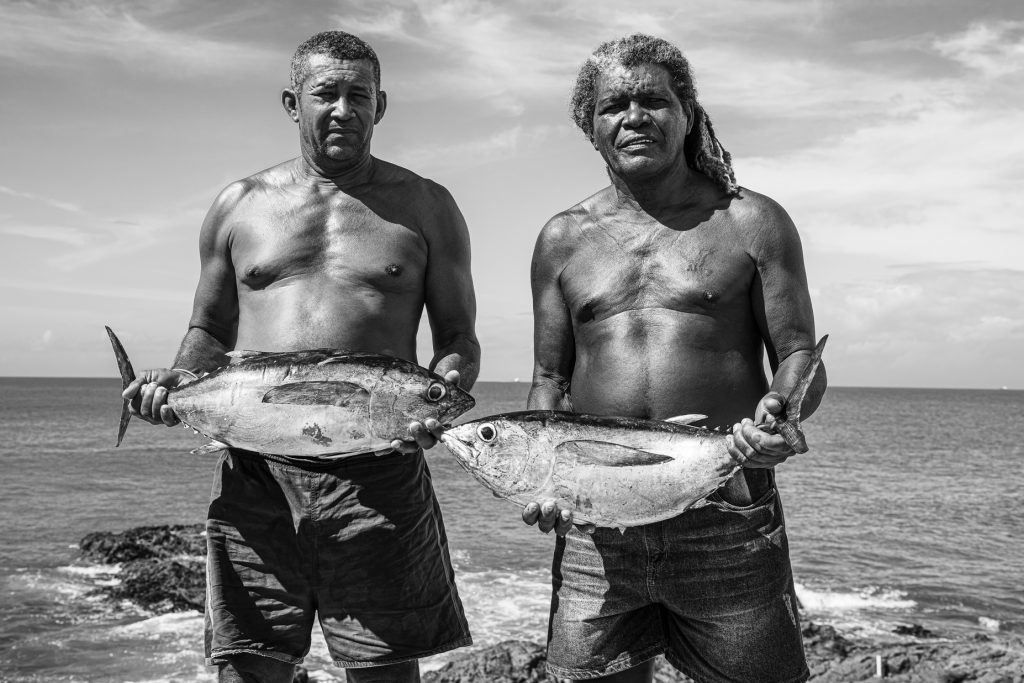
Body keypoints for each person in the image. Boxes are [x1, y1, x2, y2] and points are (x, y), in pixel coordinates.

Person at [121, 30, 479, 683]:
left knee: (384, 669)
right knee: (249, 667)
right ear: (293, 102)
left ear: (382, 105)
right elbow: (207, 327)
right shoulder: (240, 206)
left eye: (359, 96)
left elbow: (457, 336)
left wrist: (446, 384)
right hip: (256, 472)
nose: (343, 109)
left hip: (379, 476)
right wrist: (176, 385)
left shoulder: (428, 206)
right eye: (326, 94)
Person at [525, 34, 827, 683]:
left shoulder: (752, 222)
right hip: (597, 519)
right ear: (590, 125)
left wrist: (781, 412)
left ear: (686, 110)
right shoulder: (561, 240)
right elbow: (549, 380)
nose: (634, 116)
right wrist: (542, 474)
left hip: (728, 509)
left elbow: (800, 353)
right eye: (614, 105)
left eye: (653, 100)